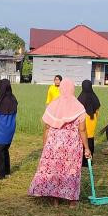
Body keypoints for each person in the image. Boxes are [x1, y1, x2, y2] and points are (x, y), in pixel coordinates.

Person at [28, 78, 91, 207]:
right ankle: (72, 201)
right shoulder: (78, 106)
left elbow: (46, 128)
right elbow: (83, 129)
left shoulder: (53, 105)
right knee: (71, 171)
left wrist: (46, 146)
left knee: (56, 170)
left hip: (54, 144)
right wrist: (87, 148)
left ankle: (55, 200)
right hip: (72, 145)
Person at [0, 78, 18, 180]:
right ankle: (7, 172)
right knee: (5, 150)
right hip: (11, 128)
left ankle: (1, 175)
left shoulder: (0, 101)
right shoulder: (14, 99)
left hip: (2, 130)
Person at [77, 79, 101, 167]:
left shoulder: (80, 97)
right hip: (92, 120)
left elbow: (77, 110)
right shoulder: (94, 97)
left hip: (82, 120)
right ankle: (89, 160)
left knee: (82, 139)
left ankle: (82, 161)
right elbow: (98, 108)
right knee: (90, 139)